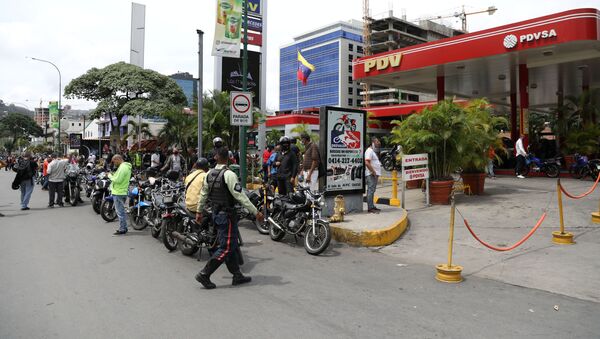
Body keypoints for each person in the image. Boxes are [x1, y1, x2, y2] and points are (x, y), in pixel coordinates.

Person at [194, 147, 264, 289]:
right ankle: (205, 274)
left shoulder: (209, 174)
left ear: (216, 158)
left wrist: (198, 211)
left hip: (216, 214)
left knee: (231, 245)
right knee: (226, 247)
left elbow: (203, 194)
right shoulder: (229, 174)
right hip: (226, 215)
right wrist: (255, 211)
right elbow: (240, 196)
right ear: (229, 158)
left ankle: (237, 275)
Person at [109, 155, 132, 235]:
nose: (114, 163)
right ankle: (124, 227)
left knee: (120, 212)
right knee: (121, 211)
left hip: (119, 192)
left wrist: (109, 176)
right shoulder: (124, 167)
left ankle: (122, 229)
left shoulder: (123, 167)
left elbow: (118, 180)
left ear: (118, 159)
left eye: (114, 161)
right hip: (122, 191)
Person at [364, 137, 382, 213]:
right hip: (371, 175)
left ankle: (372, 206)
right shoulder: (369, 151)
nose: (379, 143)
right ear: (373, 143)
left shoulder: (372, 151)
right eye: (377, 141)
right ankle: (370, 208)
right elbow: (367, 163)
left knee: (372, 190)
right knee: (371, 191)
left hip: (373, 175)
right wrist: (373, 172)